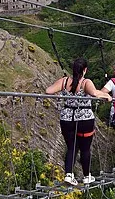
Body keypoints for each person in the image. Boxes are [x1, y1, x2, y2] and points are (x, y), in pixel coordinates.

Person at [45, 58, 111, 186]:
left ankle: (69, 175)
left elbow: (48, 91)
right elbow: (94, 93)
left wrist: (61, 96)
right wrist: (107, 96)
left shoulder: (64, 81)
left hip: (67, 118)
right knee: (85, 149)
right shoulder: (86, 82)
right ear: (85, 70)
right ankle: (87, 176)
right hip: (84, 119)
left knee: (71, 147)